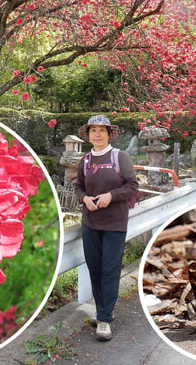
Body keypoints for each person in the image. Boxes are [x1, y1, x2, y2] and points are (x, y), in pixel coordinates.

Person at [74, 115, 138, 341]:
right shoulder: (85, 160)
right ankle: (103, 311)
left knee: (110, 270)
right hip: (91, 223)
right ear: (88, 135)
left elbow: (132, 185)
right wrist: (84, 199)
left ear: (109, 134)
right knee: (95, 268)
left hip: (115, 224)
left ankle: (104, 319)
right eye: (94, 131)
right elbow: (78, 187)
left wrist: (111, 195)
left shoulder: (120, 157)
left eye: (102, 130)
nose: (98, 134)